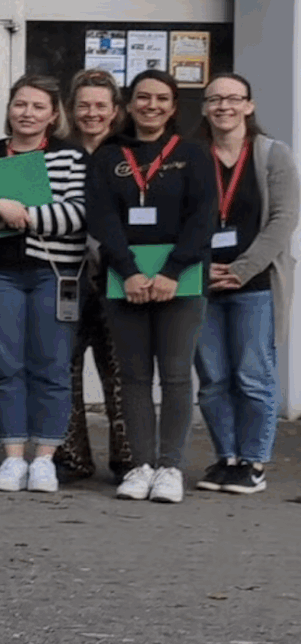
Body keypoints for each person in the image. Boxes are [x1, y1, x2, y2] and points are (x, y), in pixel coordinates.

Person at [0, 75, 90, 494]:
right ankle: (10, 456)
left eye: (38, 107)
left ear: (53, 114)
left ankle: (44, 458)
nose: (27, 113)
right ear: (8, 109)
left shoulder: (70, 157)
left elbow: (79, 214)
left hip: (53, 273)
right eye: (20, 104)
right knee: (4, 367)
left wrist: (25, 215)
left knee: (52, 366)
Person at [87, 71, 217, 503]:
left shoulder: (194, 154)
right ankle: (141, 465)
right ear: (130, 103)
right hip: (126, 279)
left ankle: (170, 467)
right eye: (143, 97)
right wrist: (130, 272)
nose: (152, 105)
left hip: (180, 280)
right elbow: (102, 218)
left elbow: (203, 218)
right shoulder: (109, 155)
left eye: (162, 99)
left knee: (177, 375)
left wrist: (170, 273)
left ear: (174, 106)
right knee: (134, 376)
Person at [194, 73, 293, 495]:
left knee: (253, 376)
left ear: (249, 106)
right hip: (201, 285)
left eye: (233, 99)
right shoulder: (193, 155)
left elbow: (284, 219)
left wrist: (243, 268)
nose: (224, 106)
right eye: (214, 99)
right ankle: (227, 457)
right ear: (204, 108)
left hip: (254, 286)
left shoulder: (273, 155)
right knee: (214, 378)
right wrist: (201, 267)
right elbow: (178, 219)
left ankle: (253, 462)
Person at [57, 70, 133, 482]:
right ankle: (72, 458)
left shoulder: (129, 154)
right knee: (64, 364)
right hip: (64, 273)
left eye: (100, 105)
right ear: (71, 109)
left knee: (120, 366)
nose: (92, 113)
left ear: (115, 111)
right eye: (84, 105)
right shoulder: (56, 153)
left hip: (118, 274)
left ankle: (127, 458)